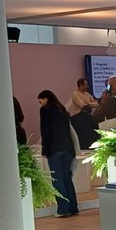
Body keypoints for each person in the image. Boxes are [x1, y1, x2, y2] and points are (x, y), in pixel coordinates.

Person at [37, 89, 78, 218]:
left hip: (54, 149)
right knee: (67, 179)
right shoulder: (63, 110)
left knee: (57, 180)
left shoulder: (45, 110)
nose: (40, 104)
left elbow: (45, 131)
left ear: (46, 98)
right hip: (68, 148)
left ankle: (63, 209)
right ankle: (73, 207)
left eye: (40, 101)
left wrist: (45, 149)